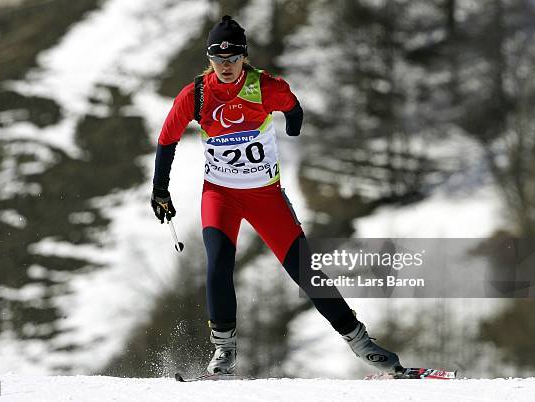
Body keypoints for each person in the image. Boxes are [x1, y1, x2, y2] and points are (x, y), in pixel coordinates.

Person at [151, 15, 401, 375]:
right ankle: (224, 350)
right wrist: (160, 189)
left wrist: (294, 125)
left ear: (244, 57)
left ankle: (362, 343)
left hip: (265, 196)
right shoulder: (197, 95)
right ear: (209, 59)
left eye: (233, 58)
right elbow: (166, 139)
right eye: (218, 60)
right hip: (221, 195)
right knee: (218, 265)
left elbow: (293, 107)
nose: (225, 67)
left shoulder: (265, 87)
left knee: (305, 271)